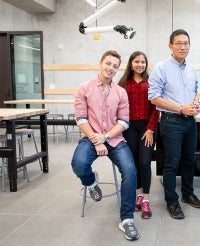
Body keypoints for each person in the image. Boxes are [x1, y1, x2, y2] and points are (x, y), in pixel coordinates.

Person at [71, 50, 140, 241]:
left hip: (115, 139)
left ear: (118, 69)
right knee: (78, 163)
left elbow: (124, 121)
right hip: (90, 137)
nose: (111, 68)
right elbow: (81, 118)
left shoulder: (121, 92)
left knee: (130, 170)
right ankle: (91, 182)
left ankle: (127, 219)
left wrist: (106, 137)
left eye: (115, 66)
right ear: (100, 63)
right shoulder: (84, 88)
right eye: (108, 63)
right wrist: (96, 138)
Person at [148, 29, 200, 219]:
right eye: (178, 43)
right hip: (171, 121)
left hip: (190, 121)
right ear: (170, 45)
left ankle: (188, 194)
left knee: (190, 159)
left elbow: (196, 90)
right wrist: (181, 108)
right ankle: (172, 201)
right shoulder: (161, 68)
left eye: (186, 43)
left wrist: (196, 103)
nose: (182, 46)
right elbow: (154, 97)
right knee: (172, 162)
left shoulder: (192, 68)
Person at [118, 51, 160, 219]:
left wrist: (150, 129)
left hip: (147, 128)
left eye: (143, 62)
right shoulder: (123, 84)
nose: (140, 65)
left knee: (144, 161)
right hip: (129, 128)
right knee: (134, 162)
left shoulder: (151, 83)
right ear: (131, 64)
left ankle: (146, 200)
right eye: (137, 61)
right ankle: (139, 195)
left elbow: (157, 108)